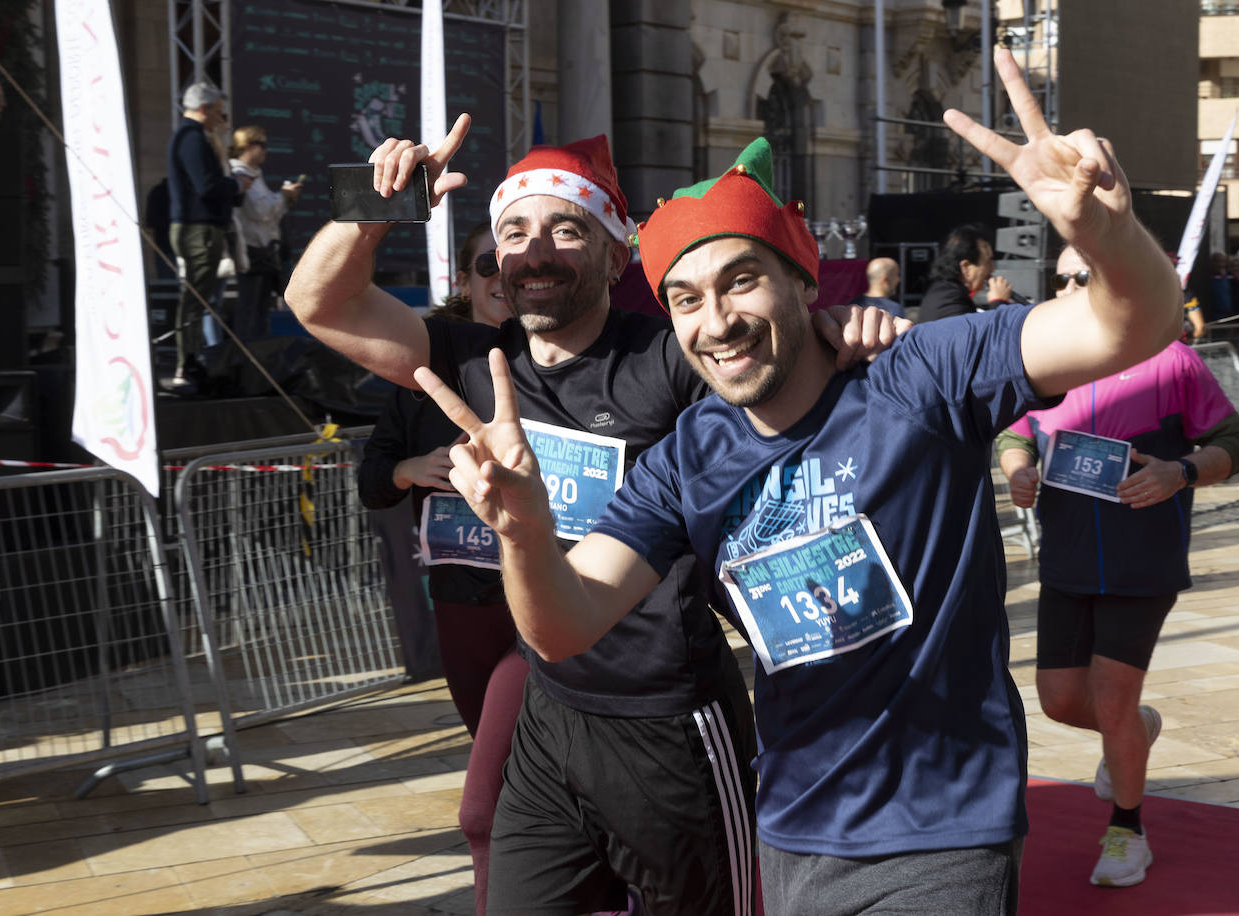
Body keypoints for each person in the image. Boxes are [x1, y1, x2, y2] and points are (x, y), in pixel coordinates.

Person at [414, 48, 1183, 915]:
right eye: (687, 299)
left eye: (742, 280)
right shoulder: (687, 459)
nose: (718, 321)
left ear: (803, 279)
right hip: (793, 825)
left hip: (942, 830)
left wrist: (1101, 230)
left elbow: (1135, 326)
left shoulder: (920, 373)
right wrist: (522, 527)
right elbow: (562, 626)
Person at [287, 124, 893, 915]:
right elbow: (317, 302)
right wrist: (375, 207)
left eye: (566, 230)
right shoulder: (477, 360)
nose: (535, 252)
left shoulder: (665, 356)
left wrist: (839, 326)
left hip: (671, 722)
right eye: (514, 233)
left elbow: (763, 349)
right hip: (551, 713)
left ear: (616, 256)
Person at [997, 245, 1239, 888]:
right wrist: (1017, 470)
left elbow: (1235, 442)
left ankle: (1127, 830)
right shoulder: (1046, 362)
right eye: (1060, 278)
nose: (1069, 287)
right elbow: (1013, 432)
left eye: (1082, 275)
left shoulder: (1173, 360)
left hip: (1144, 562)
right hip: (1066, 561)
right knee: (1059, 701)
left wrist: (1181, 471)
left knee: (1111, 697)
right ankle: (1136, 732)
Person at [356, 222, 517, 915]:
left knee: (488, 799)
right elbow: (372, 477)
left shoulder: (559, 358)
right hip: (461, 599)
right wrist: (406, 468)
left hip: (543, 610)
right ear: (464, 278)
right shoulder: (424, 372)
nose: (503, 275)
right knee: (504, 770)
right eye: (488, 262)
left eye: (517, 263)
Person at [166, 82, 249, 390]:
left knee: (198, 299)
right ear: (203, 109)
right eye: (217, 112)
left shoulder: (195, 137)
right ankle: (185, 363)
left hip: (200, 228)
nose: (220, 117)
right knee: (195, 299)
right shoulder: (191, 139)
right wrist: (235, 186)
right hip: (197, 229)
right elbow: (206, 186)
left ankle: (191, 360)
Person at [227, 125, 304, 341]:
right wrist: (282, 196)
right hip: (250, 249)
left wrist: (285, 199)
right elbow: (258, 211)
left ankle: (259, 352)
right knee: (249, 306)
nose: (265, 150)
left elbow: (269, 215)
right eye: (261, 144)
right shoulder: (238, 173)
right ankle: (245, 353)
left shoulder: (255, 174)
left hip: (265, 248)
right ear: (247, 146)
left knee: (261, 308)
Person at [917, 223, 1014, 321]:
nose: (992, 269)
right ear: (966, 268)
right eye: (988, 262)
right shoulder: (949, 302)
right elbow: (977, 335)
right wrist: (998, 302)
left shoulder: (946, 293)